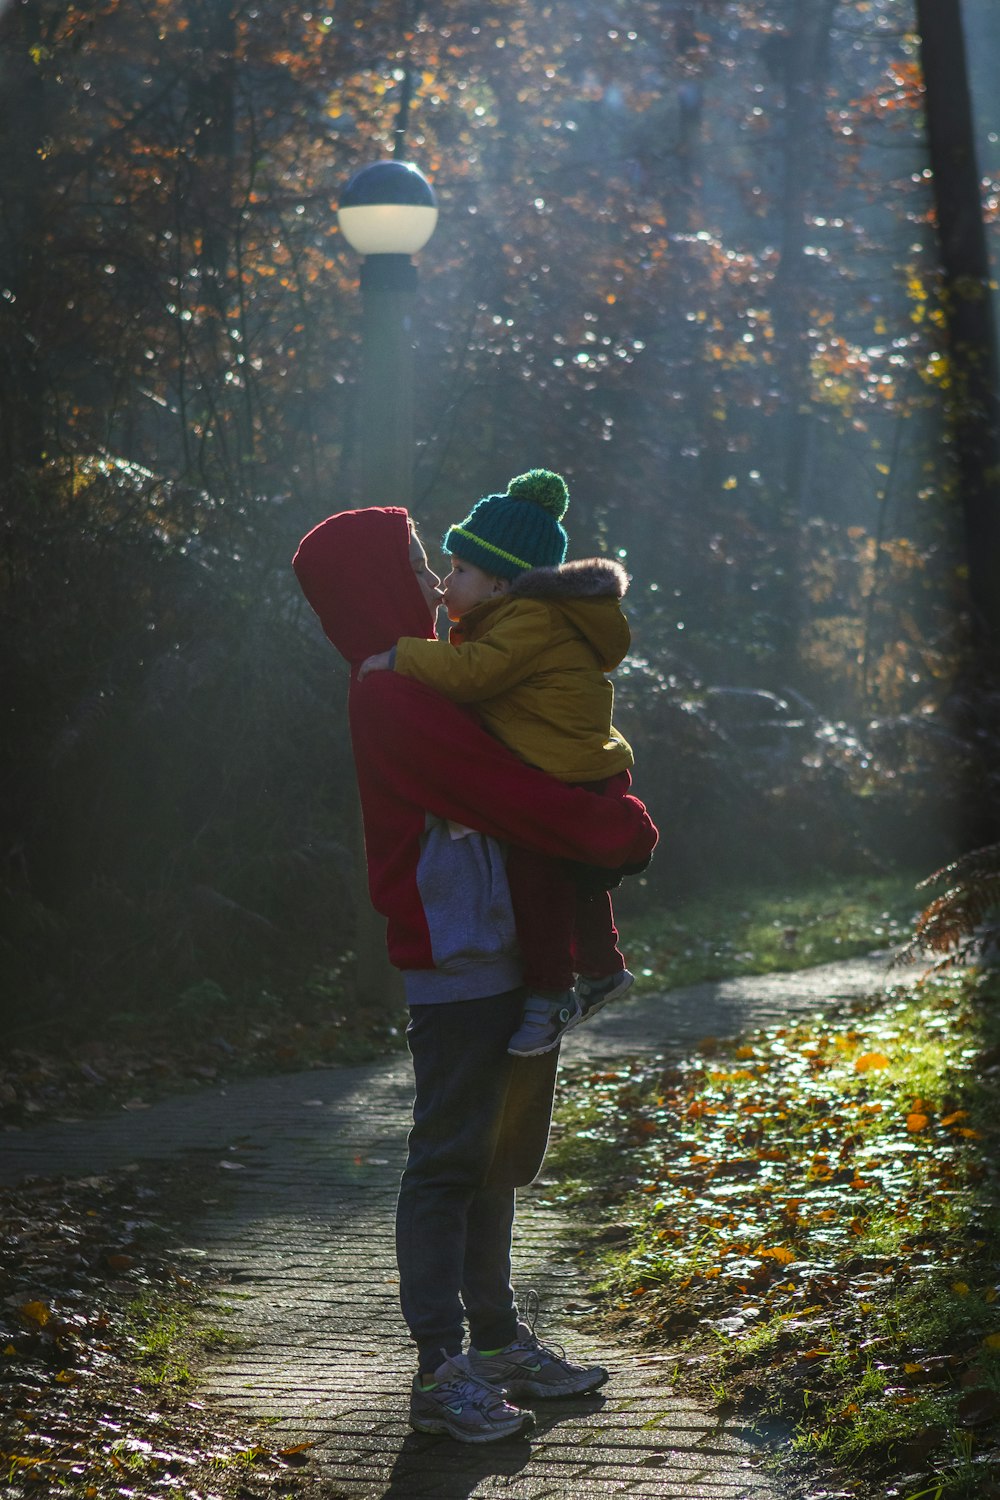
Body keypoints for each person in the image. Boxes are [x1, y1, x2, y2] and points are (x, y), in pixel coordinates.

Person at [292, 505, 657, 1445]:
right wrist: (616, 830)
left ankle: (494, 1341)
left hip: (510, 951)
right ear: (374, 584)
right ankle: (438, 1366)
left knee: (498, 1157)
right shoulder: (392, 696)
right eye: (414, 565)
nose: (430, 581)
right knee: (450, 1157)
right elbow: (508, 795)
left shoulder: (442, 672)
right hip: (459, 954)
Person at [358, 469, 639, 1058]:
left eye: (458, 571)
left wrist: (401, 656)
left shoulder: (528, 623)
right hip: (579, 762)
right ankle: (602, 967)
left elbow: (471, 678)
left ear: (501, 585)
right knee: (576, 879)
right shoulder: (518, 622)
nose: (443, 587)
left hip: (567, 767)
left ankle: (548, 993)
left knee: (539, 884)